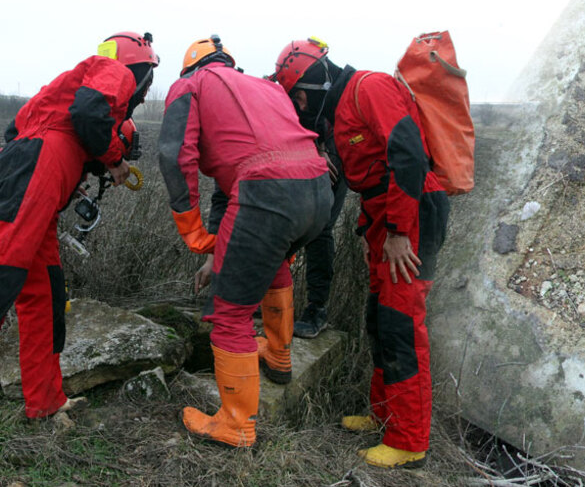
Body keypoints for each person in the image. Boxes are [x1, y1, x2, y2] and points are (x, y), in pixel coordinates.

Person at [270, 38, 449, 468]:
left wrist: (398, 231)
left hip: (411, 213)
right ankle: (385, 415)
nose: (300, 107)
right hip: (384, 217)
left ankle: (409, 441)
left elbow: (408, 155)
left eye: (298, 97)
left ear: (314, 81)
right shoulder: (340, 107)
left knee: (401, 324)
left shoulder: (368, 88)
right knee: (380, 318)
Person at [159, 35, 332, 447]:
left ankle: (236, 425)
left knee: (230, 314)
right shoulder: (264, 85)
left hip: (267, 191)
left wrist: (194, 230)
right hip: (317, 187)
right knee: (274, 264)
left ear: (191, 67)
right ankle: (279, 355)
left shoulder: (191, 84)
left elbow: (174, 155)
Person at [0, 31, 157, 419]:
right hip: (38, 170)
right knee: (4, 273)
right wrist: (115, 159)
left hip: (38, 172)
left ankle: (46, 402)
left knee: (46, 296)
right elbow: (88, 114)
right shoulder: (113, 70)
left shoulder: (64, 91)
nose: (140, 95)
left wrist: (72, 170)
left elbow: (15, 132)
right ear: (140, 70)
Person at [269, 37, 349, 338]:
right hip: (309, 149)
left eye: (302, 97)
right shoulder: (289, 88)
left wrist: (325, 150)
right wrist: (313, 148)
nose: (300, 104)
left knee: (321, 228)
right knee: (278, 219)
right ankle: (268, 293)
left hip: (336, 152)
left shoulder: (342, 94)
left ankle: (317, 309)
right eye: (296, 98)